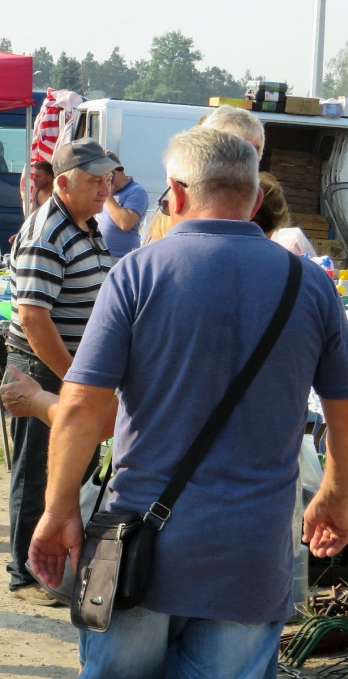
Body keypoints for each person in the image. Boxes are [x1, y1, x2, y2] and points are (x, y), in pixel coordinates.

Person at [29, 126, 348, 678]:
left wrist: (58, 510)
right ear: (254, 198)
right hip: (251, 551)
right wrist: (335, 492)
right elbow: (341, 405)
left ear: (176, 194)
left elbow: (81, 407)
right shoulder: (311, 285)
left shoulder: (137, 272)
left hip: (139, 546)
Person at [4, 138, 116, 605]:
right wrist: (73, 380)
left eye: (108, 180)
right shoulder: (47, 230)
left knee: (71, 470)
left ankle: (56, 570)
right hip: (45, 368)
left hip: (69, 368)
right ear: (64, 183)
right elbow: (33, 319)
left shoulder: (85, 224)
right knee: (39, 473)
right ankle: (26, 574)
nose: (105, 189)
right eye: (95, 181)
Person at [95, 151, 149, 258]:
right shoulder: (105, 191)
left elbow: (125, 223)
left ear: (112, 172)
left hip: (122, 260)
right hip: (101, 258)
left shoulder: (137, 191)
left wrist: (107, 194)